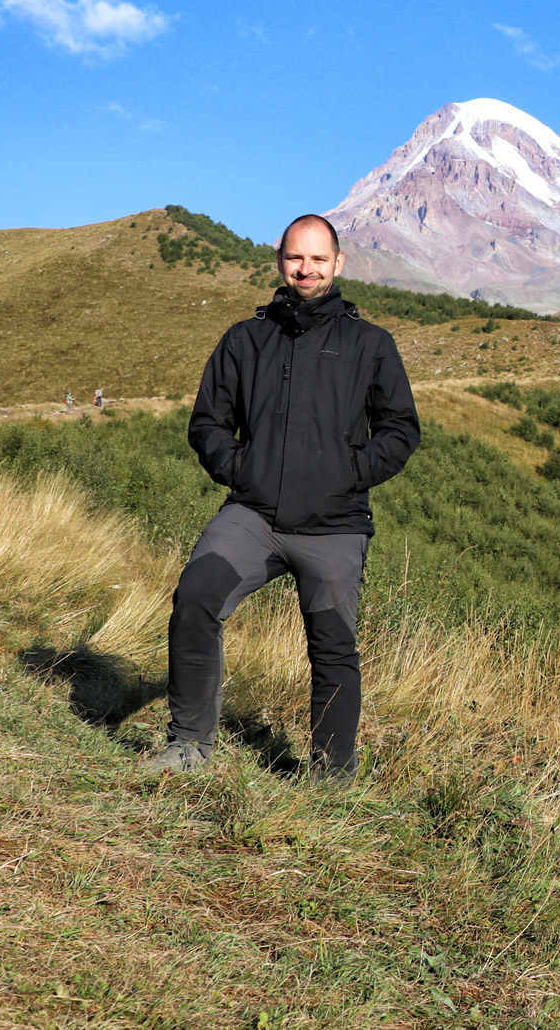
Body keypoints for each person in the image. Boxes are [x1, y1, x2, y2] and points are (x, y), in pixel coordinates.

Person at [144, 214, 421, 778]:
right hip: (254, 515)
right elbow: (208, 424)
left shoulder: (370, 344)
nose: (306, 268)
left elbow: (400, 430)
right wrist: (244, 470)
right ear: (280, 261)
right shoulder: (246, 339)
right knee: (196, 596)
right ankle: (188, 746)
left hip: (336, 523)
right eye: (297, 257)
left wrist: (349, 472)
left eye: (319, 259)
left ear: (338, 265)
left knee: (333, 645)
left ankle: (329, 774)